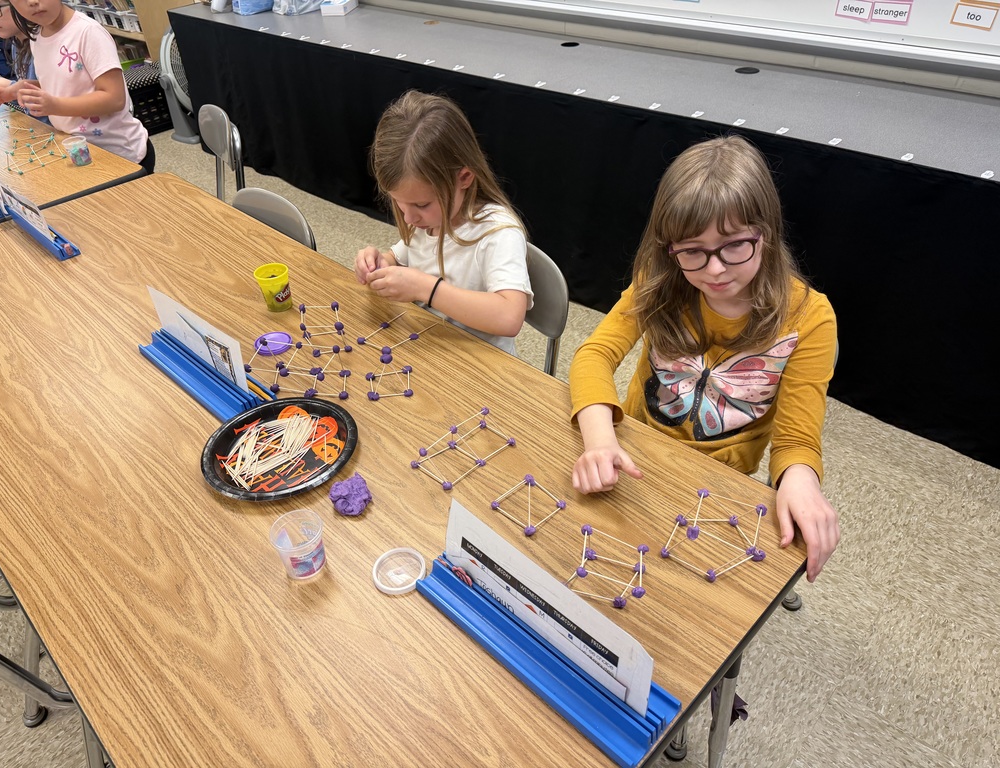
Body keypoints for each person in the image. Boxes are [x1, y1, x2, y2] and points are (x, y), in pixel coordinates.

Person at [569, 135, 839, 582]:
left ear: (765, 234)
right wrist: (599, 440)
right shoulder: (659, 280)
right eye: (692, 250)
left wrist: (800, 479)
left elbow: (796, 441)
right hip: (636, 451)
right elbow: (594, 355)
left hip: (719, 482)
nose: (714, 269)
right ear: (668, 247)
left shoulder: (809, 316)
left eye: (734, 245)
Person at [354, 90, 531, 355]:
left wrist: (425, 288)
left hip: (483, 365)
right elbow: (399, 257)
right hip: (430, 346)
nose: (408, 218)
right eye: (399, 202)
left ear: (464, 178)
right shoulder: (428, 219)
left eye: (421, 205)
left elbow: (509, 317)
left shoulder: (498, 233)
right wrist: (380, 263)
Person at [0, 0, 152, 170]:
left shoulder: (87, 32)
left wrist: (55, 105)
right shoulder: (37, 36)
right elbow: (62, 82)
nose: (32, 2)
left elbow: (114, 99)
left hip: (123, 155)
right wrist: (20, 88)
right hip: (81, 148)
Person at [0, 0, 49, 123]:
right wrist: (0, 84)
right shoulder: (16, 41)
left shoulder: (45, 43)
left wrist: (13, 88)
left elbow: (61, 97)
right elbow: (27, 106)